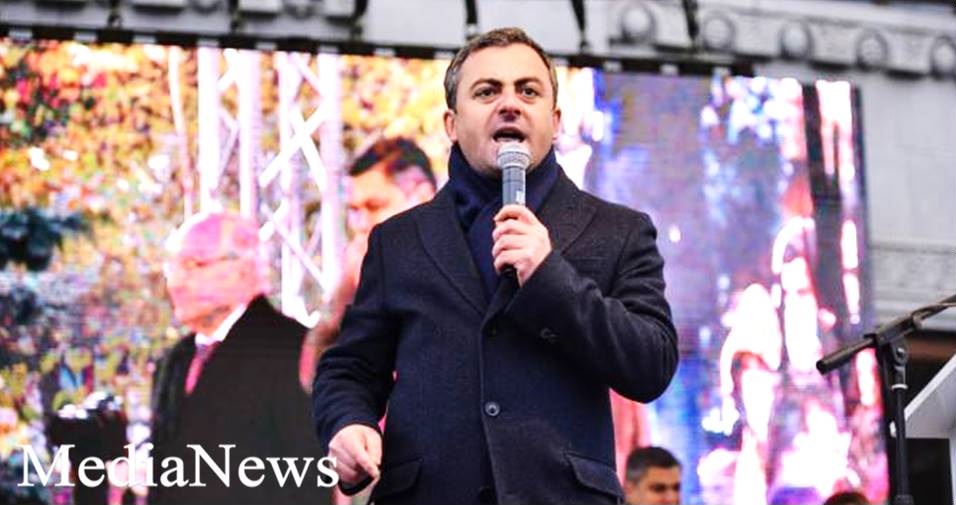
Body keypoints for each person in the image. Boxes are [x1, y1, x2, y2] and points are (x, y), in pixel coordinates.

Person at [312, 27, 678, 505]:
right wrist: (348, 422)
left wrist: (549, 277)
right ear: (451, 123)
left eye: (528, 91)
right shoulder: (397, 241)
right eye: (487, 92)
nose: (510, 104)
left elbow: (650, 364)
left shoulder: (618, 231)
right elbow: (352, 367)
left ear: (555, 120)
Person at [151, 211, 330, 505]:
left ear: (243, 269)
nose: (176, 282)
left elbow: (310, 485)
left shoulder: (295, 351)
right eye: (173, 267)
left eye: (193, 265)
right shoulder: (174, 361)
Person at [299, 137, 437, 391]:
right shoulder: (362, 282)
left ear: (422, 197)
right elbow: (313, 380)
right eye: (355, 210)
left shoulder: (458, 268)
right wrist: (344, 294)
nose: (361, 224)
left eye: (375, 206)